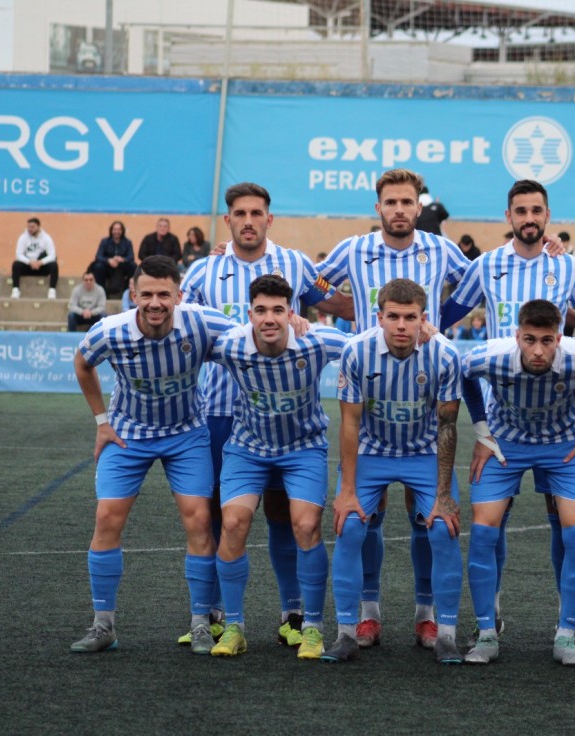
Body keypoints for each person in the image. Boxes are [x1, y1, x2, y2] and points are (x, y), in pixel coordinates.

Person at [440, 179, 575, 650]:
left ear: (547, 215)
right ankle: (492, 612)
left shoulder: (565, 266)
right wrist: (413, 328)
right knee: (492, 522)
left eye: (536, 210)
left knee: (563, 523)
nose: (528, 218)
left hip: (560, 408)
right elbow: (448, 314)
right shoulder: (487, 265)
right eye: (520, 210)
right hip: (503, 410)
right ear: (508, 217)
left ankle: (568, 627)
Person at [180, 182, 353, 650]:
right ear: (229, 220)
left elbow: (340, 303)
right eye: (240, 213)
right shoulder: (204, 270)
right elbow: (180, 327)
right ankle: (215, 616)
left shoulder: (296, 264)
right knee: (219, 514)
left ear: (269, 219)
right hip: (221, 412)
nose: (249, 220)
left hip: (288, 419)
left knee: (285, 514)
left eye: (257, 212)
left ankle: (294, 613)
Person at [317, 168, 472, 652]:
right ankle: (365, 615)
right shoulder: (353, 249)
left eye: (408, 202)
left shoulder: (441, 248)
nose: (400, 209)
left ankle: (429, 617)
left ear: (417, 206)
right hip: (373, 386)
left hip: (421, 404)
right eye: (392, 202)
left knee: (429, 520)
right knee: (362, 519)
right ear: (378, 206)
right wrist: (352, 314)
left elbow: (471, 288)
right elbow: (314, 284)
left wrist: (436, 324)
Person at [69, 255, 234, 654]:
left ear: (179, 295)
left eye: (164, 294)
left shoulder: (201, 321)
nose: (155, 303)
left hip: (186, 435)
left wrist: (295, 324)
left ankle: (200, 623)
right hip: (127, 435)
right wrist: (101, 422)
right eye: (147, 294)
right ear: (133, 294)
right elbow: (82, 362)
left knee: (199, 520)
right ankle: (103, 624)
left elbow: (252, 339)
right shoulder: (110, 331)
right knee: (107, 517)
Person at [461, 299, 575, 666]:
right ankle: (485, 633)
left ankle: (566, 635)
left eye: (547, 340)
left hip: (563, 444)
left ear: (559, 338)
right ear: (517, 336)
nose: (538, 350)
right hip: (506, 442)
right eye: (529, 340)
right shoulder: (490, 357)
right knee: (483, 531)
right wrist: (482, 433)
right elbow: (465, 375)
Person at [323, 278, 465, 664]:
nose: (401, 325)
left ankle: (441, 629)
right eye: (393, 317)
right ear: (379, 317)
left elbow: (448, 427)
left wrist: (443, 495)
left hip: (424, 451)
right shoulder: (356, 351)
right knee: (350, 524)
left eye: (410, 318)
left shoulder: (445, 355)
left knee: (442, 526)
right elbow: (349, 424)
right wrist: (347, 490)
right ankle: (349, 632)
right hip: (373, 450)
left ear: (424, 319)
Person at [206, 274, 347, 659]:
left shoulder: (316, 341)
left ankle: (313, 628)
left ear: (292, 313)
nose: (270, 319)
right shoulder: (230, 345)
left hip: (303, 449)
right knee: (233, 522)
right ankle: (234, 626)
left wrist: (427, 333)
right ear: (249, 314)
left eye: (278, 310)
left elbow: (368, 347)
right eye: (262, 310)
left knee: (305, 524)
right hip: (248, 449)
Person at [11, 217, 58, 299]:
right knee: (16, 264)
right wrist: (30, 262)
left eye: (32, 227)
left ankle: (52, 290)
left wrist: (40, 262)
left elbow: (52, 255)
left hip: (41, 267)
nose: (30, 229)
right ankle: (16, 289)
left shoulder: (46, 238)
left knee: (54, 265)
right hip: (28, 266)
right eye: (29, 227)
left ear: (38, 227)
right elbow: (19, 254)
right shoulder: (23, 237)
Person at [91, 221, 135, 297]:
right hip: (108, 267)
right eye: (115, 229)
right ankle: (102, 293)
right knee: (98, 267)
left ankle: (126, 292)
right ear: (111, 230)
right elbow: (98, 256)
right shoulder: (104, 241)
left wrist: (123, 259)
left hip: (122, 267)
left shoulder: (127, 242)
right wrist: (108, 260)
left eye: (119, 229)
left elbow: (131, 257)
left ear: (122, 231)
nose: (116, 232)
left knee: (133, 266)